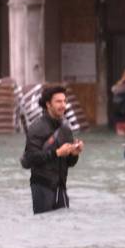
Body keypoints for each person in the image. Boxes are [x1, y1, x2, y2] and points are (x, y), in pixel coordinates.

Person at [20, 85, 84, 214]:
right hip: (42, 186)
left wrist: (74, 154)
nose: (63, 105)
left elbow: (70, 163)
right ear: (48, 104)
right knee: (44, 227)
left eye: (64, 101)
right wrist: (57, 153)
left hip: (61, 186)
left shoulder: (66, 129)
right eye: (58, 101)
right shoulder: (36, 128)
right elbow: (31, 158)